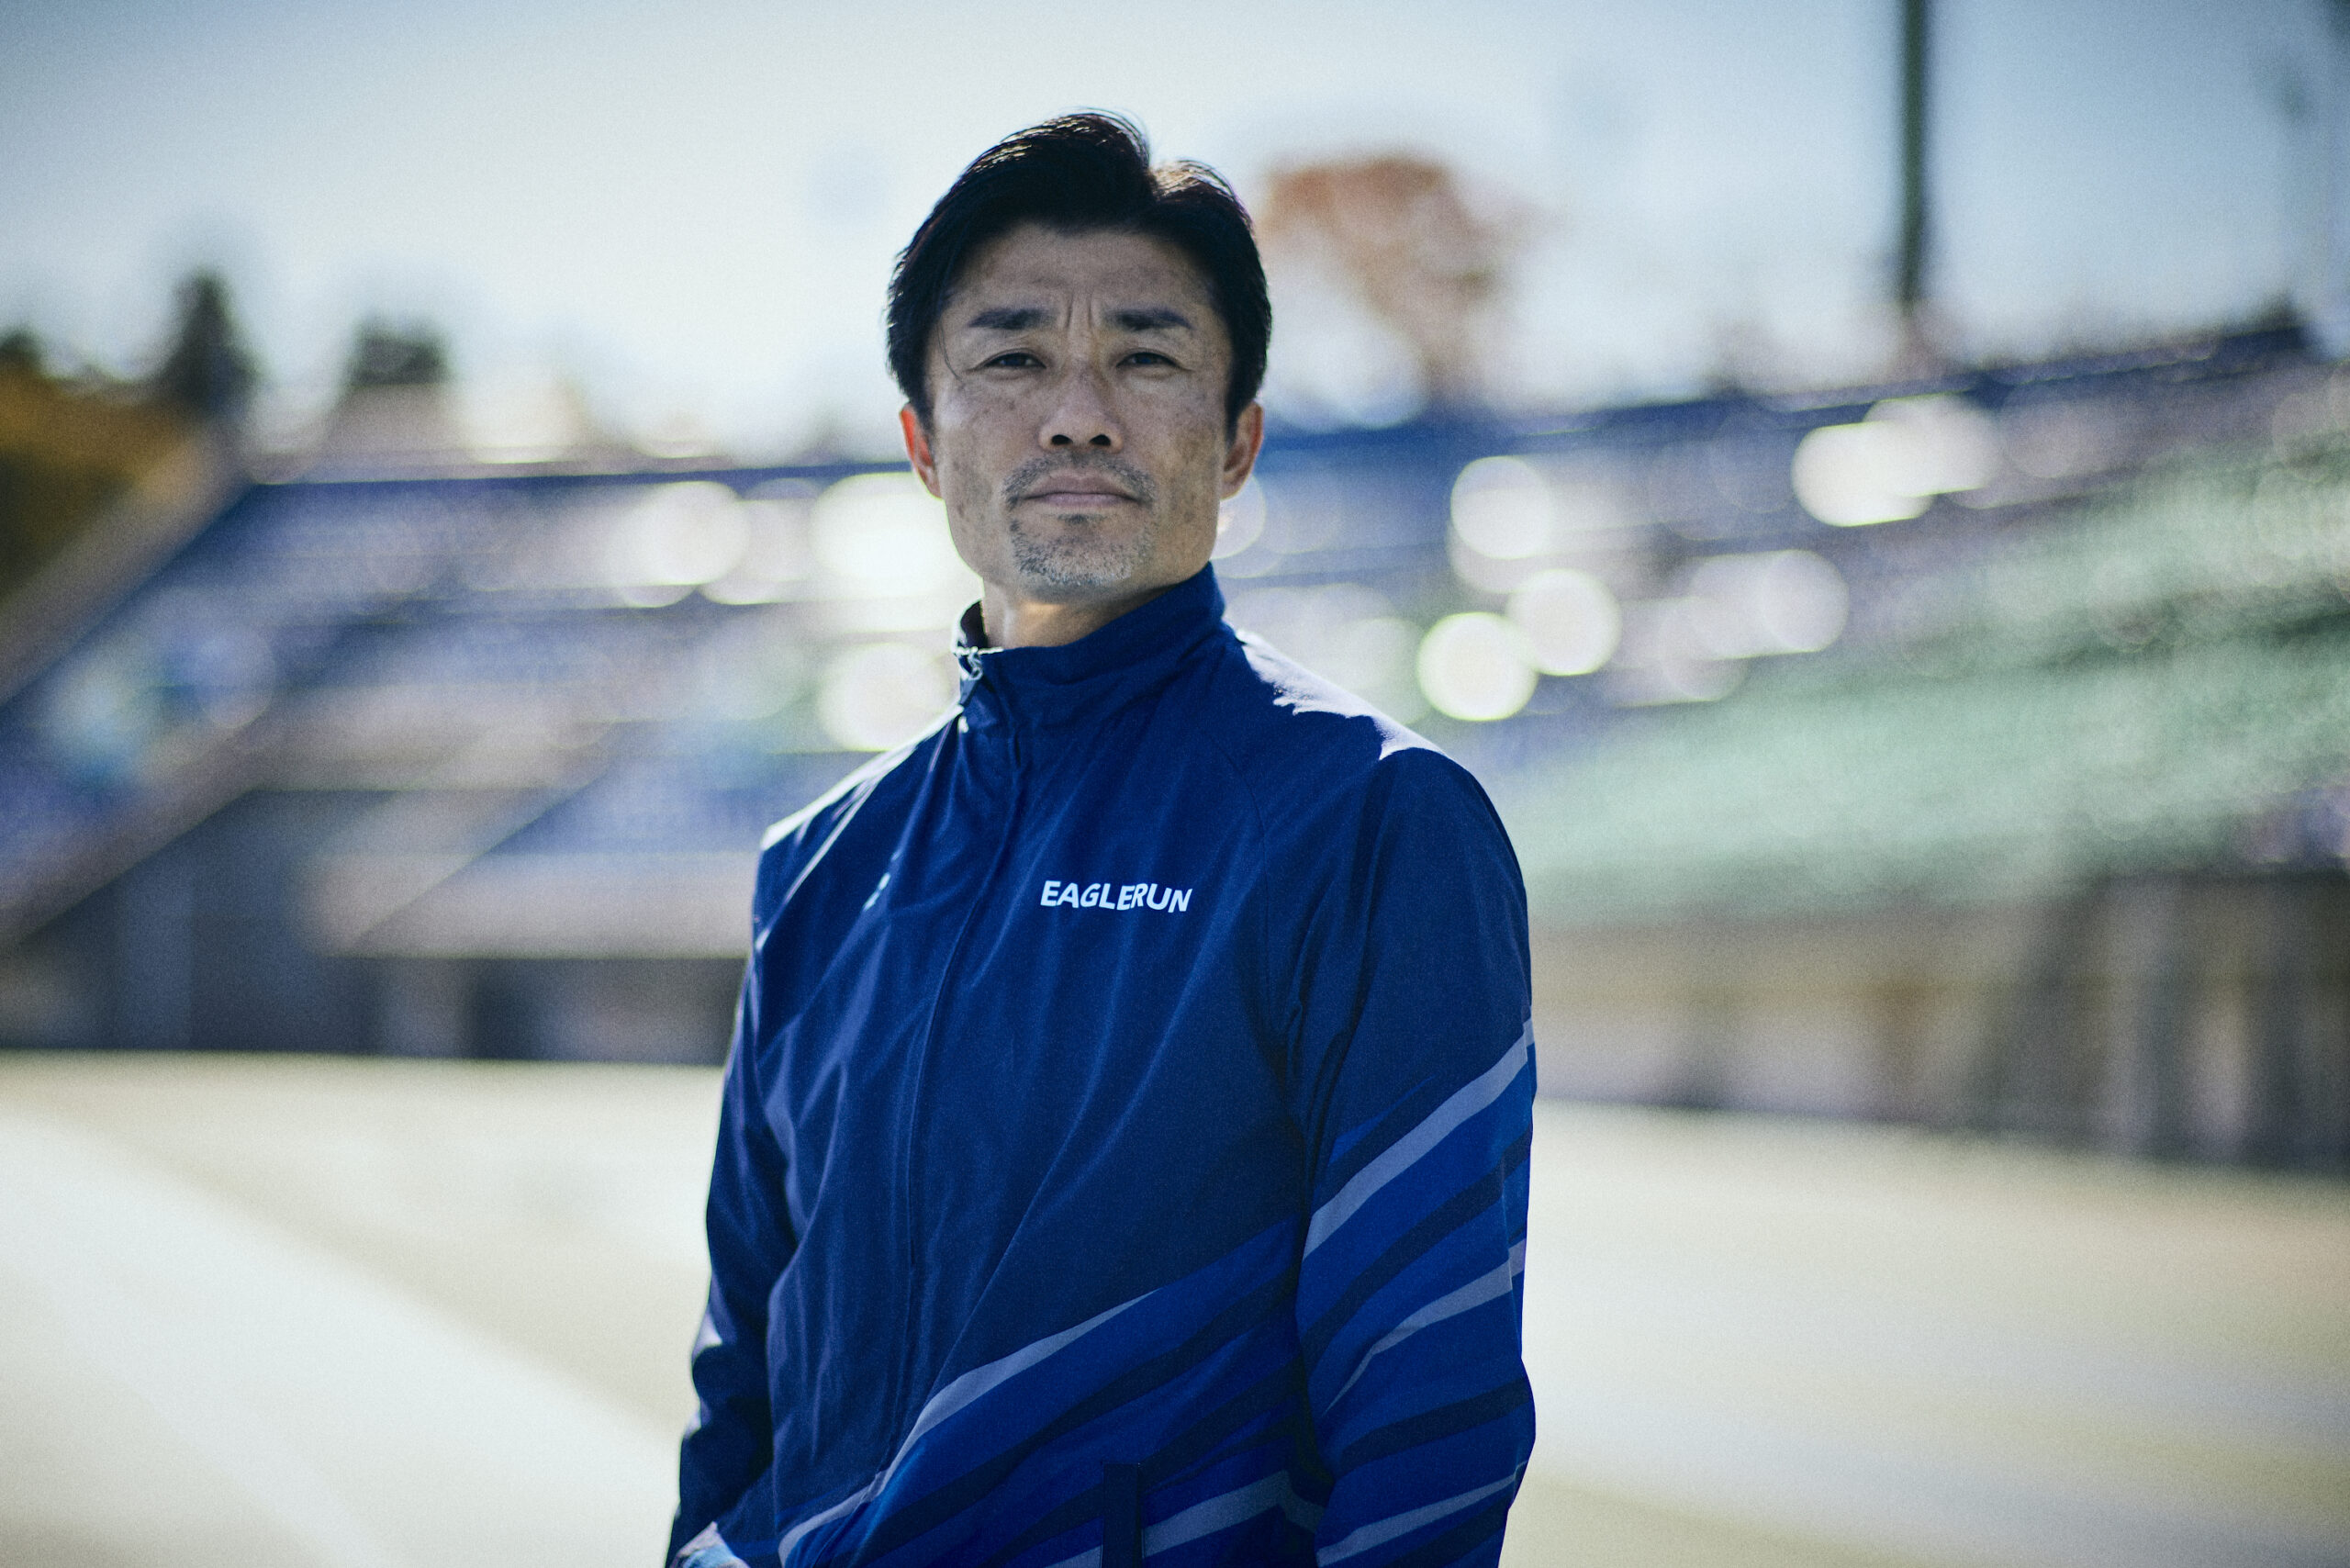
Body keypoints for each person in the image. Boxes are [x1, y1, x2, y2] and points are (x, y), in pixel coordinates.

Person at [671, 113, 1535, 1568]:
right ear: (921, 443)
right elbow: (735, 1393)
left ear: (1240, 438)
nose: (1079, 413)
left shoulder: (1371, 826)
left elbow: (1429, 1421)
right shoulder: (812, 876)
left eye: (1147, 357)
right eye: (1012, 359)